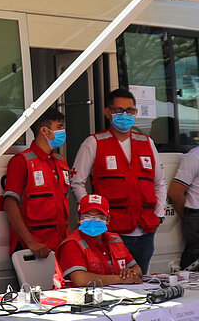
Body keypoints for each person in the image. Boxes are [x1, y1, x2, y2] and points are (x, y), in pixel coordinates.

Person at [70, 88, 166, 273]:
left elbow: (159, 183)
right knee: (115, 284)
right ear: (108, 112)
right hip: (112, 232)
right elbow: (77, 182)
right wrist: (92, 215)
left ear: (135, 112)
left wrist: (159, 214)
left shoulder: (147, 142)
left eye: (129, 111)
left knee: (141, 283)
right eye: (119, 110)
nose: (125, 115)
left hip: (146, 230)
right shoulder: (94, 142)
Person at [3, 107, 70, 257]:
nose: (63, 132)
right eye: (59, 127)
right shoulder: (22, 161)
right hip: (34, 249)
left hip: (60, 246)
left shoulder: (60, 161)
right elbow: (10, 204)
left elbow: (63, 206)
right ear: (44, 131)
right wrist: (31, 242)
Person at [168, 144, 199, 269]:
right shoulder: (194, 156)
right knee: (194, 264)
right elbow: (175, 193)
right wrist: (187, 216)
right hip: (196, 216)